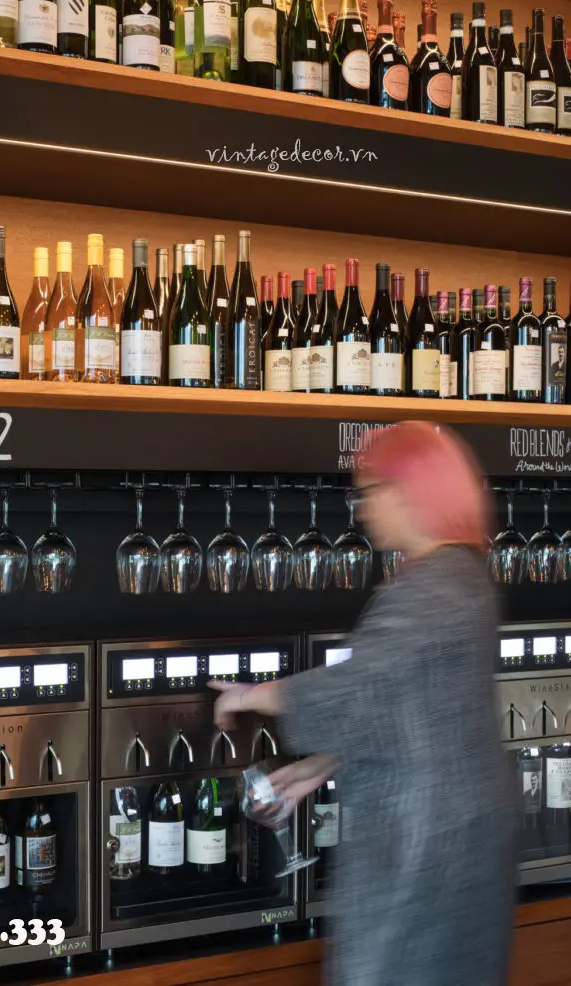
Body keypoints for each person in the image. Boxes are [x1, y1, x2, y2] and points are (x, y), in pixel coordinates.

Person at [210, 421, 517, 986]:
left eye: (371, 492)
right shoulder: (459, 574)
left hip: (425, 841)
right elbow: (412, 705)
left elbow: (359, 688)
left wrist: (250, 695)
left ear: (409, 493)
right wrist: (318, 766)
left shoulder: (431, 588)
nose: (364, 510)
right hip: (461, 828)